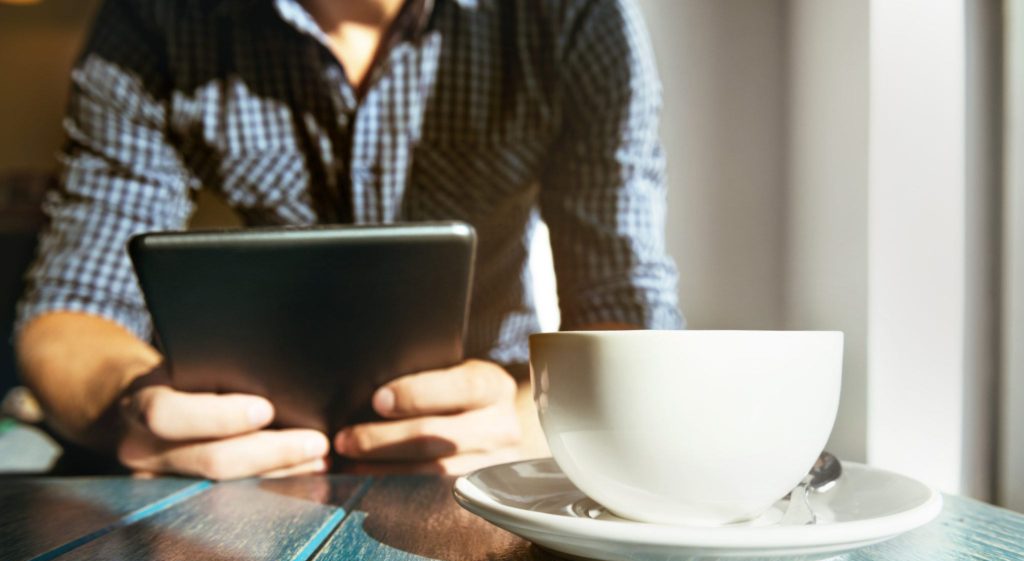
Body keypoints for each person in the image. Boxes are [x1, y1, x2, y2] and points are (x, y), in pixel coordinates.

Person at [14, 0, 682, 479]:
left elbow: (624, 304)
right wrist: (135, 405)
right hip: (252, 467)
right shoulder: (155, 19)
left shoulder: (575, 17)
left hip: (496, 457)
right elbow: (70, 312)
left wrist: (525, 419)